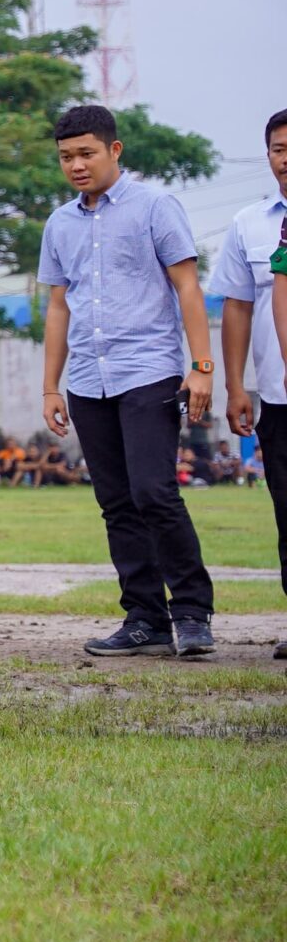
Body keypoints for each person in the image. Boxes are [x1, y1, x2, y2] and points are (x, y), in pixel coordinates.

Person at [38, 104, 218, 659]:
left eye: (87, 153)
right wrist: (51, 386)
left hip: (148, 369)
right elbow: (58, 306)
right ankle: (144, 617)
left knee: (154, 492)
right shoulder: (59, 223)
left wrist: (201, 366)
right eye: (67, 157)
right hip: (88, 378)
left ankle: (191, 612)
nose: (76, 165)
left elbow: (188, 287)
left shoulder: (155, 206)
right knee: (115, 502)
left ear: (115, 151)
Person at [212, 109, 287, 657]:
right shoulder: (250, 224)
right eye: (279, 147)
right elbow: (237, 307)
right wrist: (237, 387)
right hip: (279, 396)